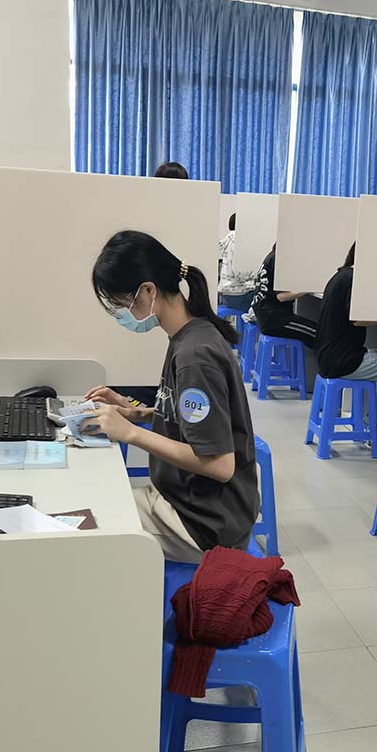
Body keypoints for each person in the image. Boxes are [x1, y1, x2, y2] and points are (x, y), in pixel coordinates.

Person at [81, 231, 258, 564]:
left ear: (148, 291)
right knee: (95, 501)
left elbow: (220, 465)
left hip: (202, 525)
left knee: (87, 524)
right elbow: (192, 417)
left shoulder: (194, 355)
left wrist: (131, 434)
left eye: (121, 304)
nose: (122, 314)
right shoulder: (189, 335)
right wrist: (137, 413)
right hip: (185, 502)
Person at [316, 244, 377, 445]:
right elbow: (357, 320)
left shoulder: (341, 275)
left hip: (329, 355)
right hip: (341, 360)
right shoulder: (353, 279)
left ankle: (374, 420)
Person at [249, 245, 317, 347]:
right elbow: (282, 296)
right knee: (319, 334)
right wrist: (306, 289)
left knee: (318, 332)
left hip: (265, 316)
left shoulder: (271, 257)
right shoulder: (279, 260)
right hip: (275, 319)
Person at [218, 213, 256, 311]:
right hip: (238, 293)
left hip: (228, 292)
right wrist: (254, 277)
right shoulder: (237, 241)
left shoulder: (228, 240)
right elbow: (239, 272)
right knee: (268, 299)